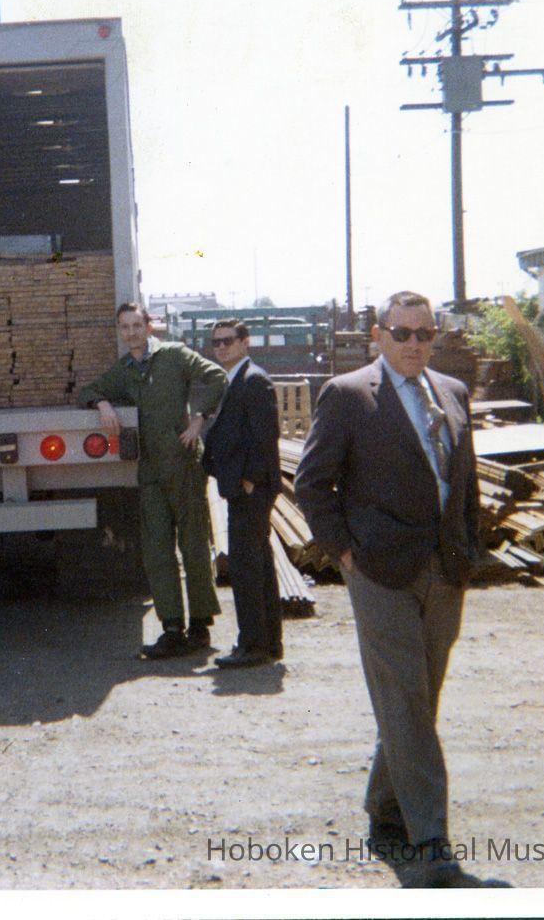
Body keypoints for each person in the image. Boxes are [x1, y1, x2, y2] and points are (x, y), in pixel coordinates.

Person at [294, 290, 480, 888]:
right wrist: (347, 555)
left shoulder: (453, 392)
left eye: (424, 334)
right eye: (402, 333)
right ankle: (432, 845)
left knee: (418, 700)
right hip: (379, 574)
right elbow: (311, 482)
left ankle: (384, 807)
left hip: (443, 570)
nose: (414, 344)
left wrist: (469, 550)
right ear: (379, 336)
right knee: (404, 700)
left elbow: (466, 482)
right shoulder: (349, 395)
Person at [78, 304, 227, 658]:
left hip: (183, 463)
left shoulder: (174, 355)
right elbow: (89, 390)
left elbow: (216, 377)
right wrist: (103, 404)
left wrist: (199, 419)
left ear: (148, 327)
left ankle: (200, 625)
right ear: (120, 331)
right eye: (124, 327)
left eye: (136, 325)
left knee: (193, 545)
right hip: (151, 471)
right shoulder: (125, 370)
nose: (130, 332)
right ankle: (172, 628)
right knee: (157, 549)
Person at [201, 319, 284, 669]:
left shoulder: (253, 381)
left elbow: (266, 436)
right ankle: (267, 643)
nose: (221, 347)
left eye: (228, 341)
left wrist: (250, 479)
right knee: (257, 566)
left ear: (245, 342)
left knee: (248, 569)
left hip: (251, 491)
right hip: (244, 489)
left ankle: (252, 646)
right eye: (216, 342)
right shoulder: (235, 380)